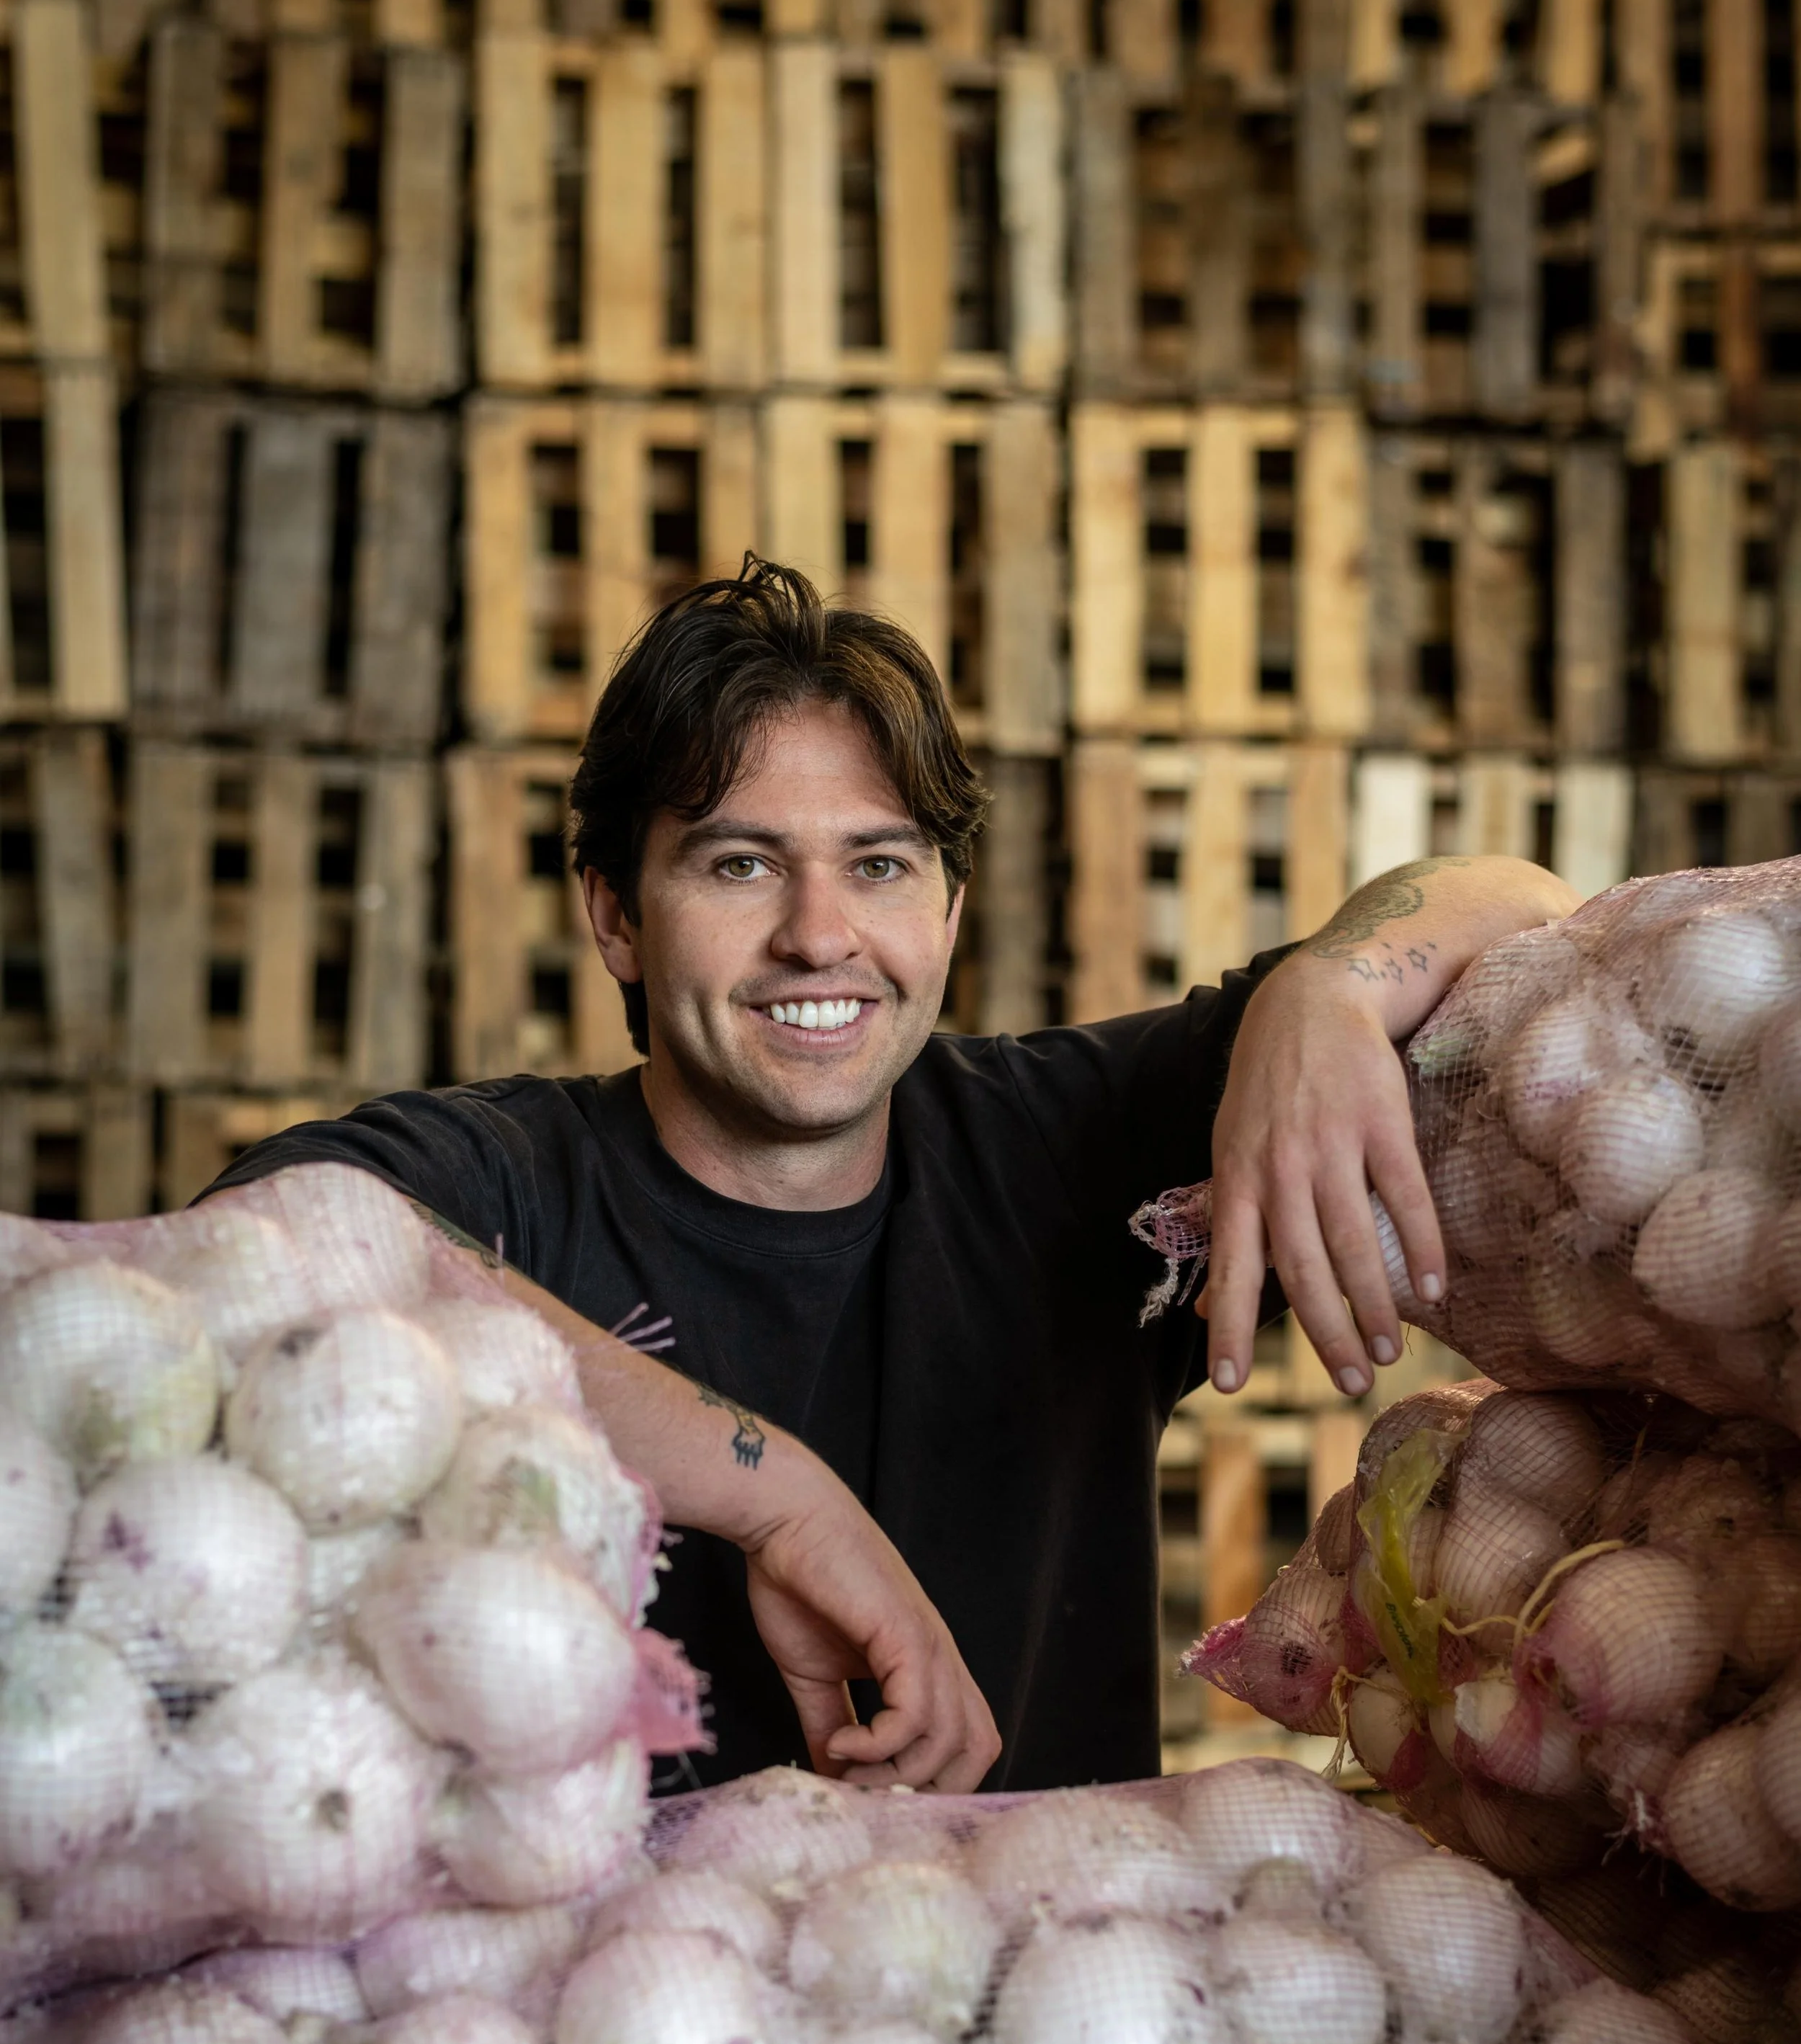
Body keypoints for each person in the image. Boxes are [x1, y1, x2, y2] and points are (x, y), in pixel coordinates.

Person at [204, 559, 1578, 1793]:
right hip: (598, 2036)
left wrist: (1327, 991)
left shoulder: (1073, 1151)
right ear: (616, 915)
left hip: (1050, 2012)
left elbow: (1529, 902)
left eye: (878, 866)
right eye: (740, 864)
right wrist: (771, 1492)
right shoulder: (511, 1178)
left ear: (950, 910)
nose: (820, 935)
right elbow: (256, 1255)